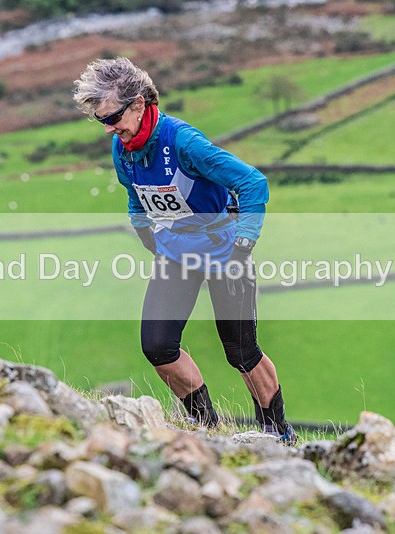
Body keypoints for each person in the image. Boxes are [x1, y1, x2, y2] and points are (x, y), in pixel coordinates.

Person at [73, 57, 296, 444]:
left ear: (139, 104)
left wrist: (244, 242)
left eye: (112, 118)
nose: (109, 129)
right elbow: (135, 198)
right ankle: (207, 431)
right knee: (158, 347)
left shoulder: (183, 142)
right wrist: (145, 233)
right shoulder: (121, 147)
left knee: (241, 351)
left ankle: (280, 436)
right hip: (177, 254)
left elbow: (253, 184)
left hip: (225, 250)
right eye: (101, 121)